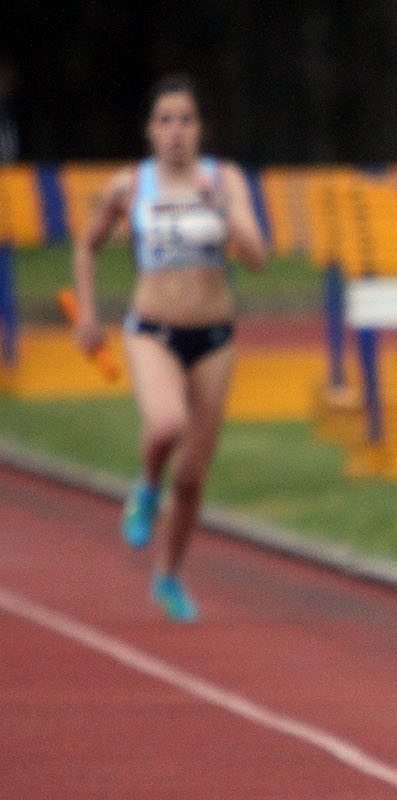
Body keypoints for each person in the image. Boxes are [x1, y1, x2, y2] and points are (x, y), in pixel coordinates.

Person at [72, 74, 268, 622]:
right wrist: (88, 314)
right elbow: (86, 247)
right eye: (165, 121)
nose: (176, 131)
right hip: (152, 328)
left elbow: (257, 258)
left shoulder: (223, 179)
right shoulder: (129, 186)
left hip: (213, 337)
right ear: (150, 131)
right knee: (164, 426)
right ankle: (146, 485)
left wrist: (223, 209)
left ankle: (169, 574)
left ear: (201, 129)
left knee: (195, 475)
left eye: (186, 120)